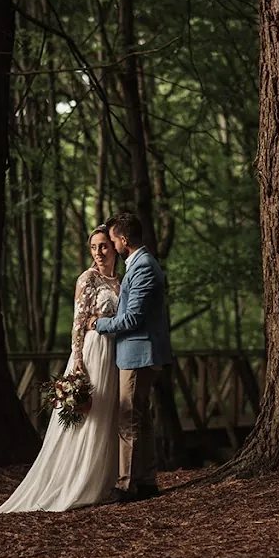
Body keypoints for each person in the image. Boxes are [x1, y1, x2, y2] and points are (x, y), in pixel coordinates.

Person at [0, 226, 121, 513]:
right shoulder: (88, 279)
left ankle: (103, 479)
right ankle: (76, 479)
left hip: (114, 353)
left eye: (103, 246)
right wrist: (77, 359)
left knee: (108, 413)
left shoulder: (120, 282)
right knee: (89, 412)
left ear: (114, 248)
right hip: (92, 351)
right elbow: (79, 320)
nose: (99, 253)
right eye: (93, 247)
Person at [92, 212, 172, 503]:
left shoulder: (143, 268)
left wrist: (98, 324)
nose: (111, 245)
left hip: (138, 353)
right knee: (142, 418)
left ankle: (127, 485)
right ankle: (147, 480)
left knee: (129, 419)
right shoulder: (137, 265)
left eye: (112, 239)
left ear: (124, 239)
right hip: (138, 352)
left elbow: (133, 318)